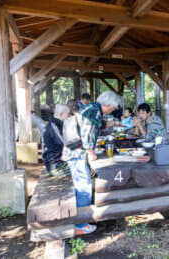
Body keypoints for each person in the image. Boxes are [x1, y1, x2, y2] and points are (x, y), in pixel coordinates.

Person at [66, 91, 123, 235]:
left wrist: (115, 123)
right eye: (114, 107)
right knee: (84, 187)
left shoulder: (92, 108)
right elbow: (87, 133)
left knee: (82, 185)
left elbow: (101, 124)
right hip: (78, 153)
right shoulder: (94, 111)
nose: (113, 109)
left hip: (74, 151)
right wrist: (91, 152)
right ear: (109, 105)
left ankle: (80, 218)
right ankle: (80, 224)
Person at [42, 104, 71, 176]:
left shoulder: (56, 124)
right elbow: (66, 144)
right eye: (68, 114)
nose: (69, 116)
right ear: (61, 114)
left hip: (60, 162)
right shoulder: (53, 128)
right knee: (89, 172)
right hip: (56, 167)